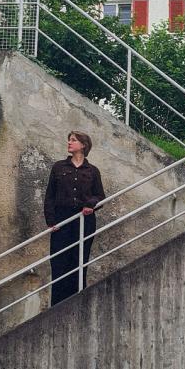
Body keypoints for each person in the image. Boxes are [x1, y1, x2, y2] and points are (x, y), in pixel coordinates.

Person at [45, 130, 105, 305]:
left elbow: (100, 196)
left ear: (83, 145)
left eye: (73, 140)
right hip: (62, 220)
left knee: (79, 261)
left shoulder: (93, 171)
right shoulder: (58, 167)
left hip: (84, 220)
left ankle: (77, 302)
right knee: (58, 261)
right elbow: (50, 196)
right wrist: (51, 221)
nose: (69, 143)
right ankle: (57, 306)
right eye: (69, 140)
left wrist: (90, 205)